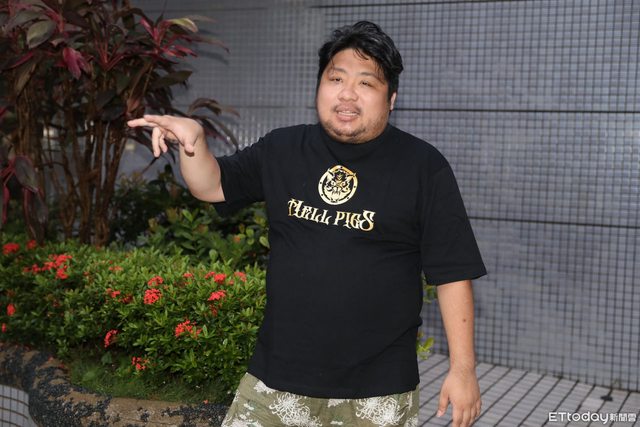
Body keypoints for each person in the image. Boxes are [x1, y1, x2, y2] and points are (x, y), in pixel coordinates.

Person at [129, 21, 486, 427]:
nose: (347, 93)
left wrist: (463, 370)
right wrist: (193, 143)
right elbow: (211, 185)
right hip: (275, 381)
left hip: (378, 391)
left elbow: (453, 272)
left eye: (366, 83)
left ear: (391, 99)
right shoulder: (283, 148)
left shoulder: (423, 167)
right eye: (336, 79)